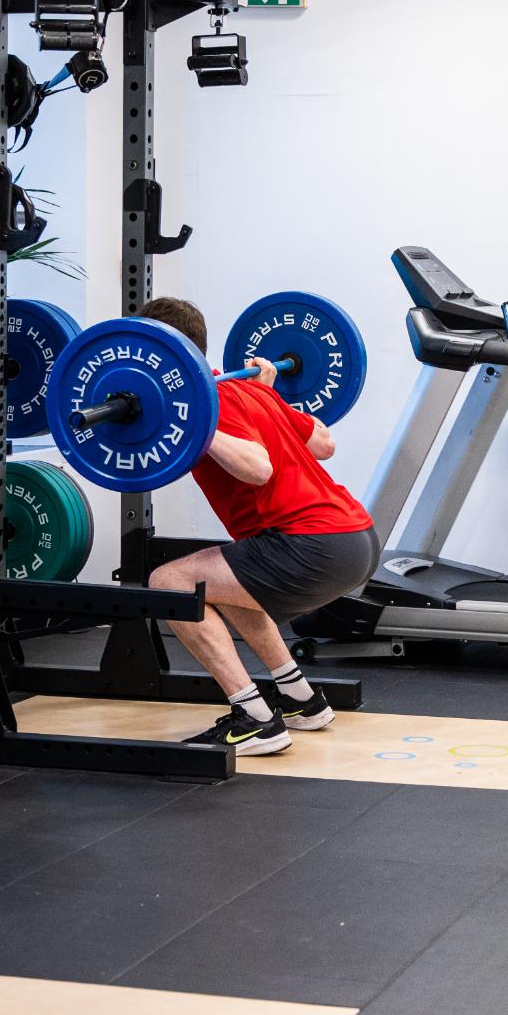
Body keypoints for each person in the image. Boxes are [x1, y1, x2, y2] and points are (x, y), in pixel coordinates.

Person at [142, 296, 380, 754]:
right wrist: (273, 398)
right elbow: (325, 443)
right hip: (356, 538)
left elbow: (257, 468)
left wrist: (193, 420)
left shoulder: (204, 400)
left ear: (161, 350)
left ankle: (253, 718)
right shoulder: (249, 389)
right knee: (225, 579)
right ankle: (299, 698)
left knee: (168, 582)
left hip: (313, 545)